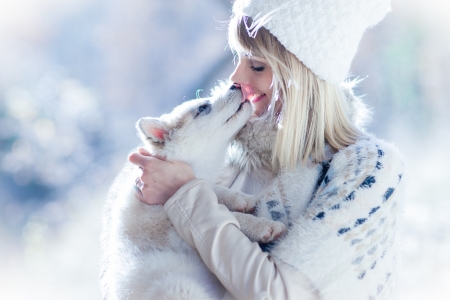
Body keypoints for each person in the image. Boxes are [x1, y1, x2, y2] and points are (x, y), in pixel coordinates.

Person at [129, 0, 404, 299]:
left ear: (305, 76)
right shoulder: (222, 156)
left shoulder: (369, 169)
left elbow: (280, 294)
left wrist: (186, 196)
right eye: (238, 58)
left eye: (257, 65)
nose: (235, 78)